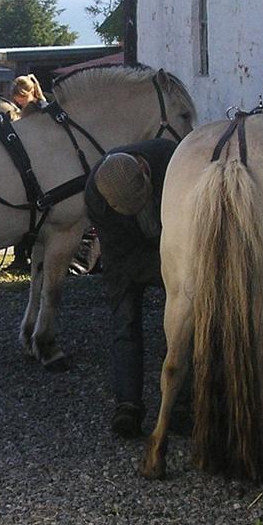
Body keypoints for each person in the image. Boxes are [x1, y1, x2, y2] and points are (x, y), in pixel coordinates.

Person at [84, 137, 179, 438]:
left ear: (144, 169)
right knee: (125, 326)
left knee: (180, 326)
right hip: (124, 257)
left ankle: (181, 403)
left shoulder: (171, 159)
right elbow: (119, 250)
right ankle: (128, 406)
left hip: (175, 248)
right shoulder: (96, 193)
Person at [0, 74, 46, 275]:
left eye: (21, 96)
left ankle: (26, 256)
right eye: (15, 97)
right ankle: (20, 257)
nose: (17, 101)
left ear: (30, 93)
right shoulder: (22, 111)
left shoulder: (40, 110)